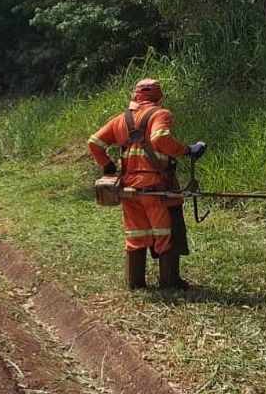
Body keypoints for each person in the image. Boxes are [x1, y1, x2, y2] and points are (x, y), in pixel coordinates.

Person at [88, 79, 206, 289]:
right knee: (165, 233)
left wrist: (107, 166)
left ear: (135, 96)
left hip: (128, 189)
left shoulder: (120, 120)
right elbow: (160, 137)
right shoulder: (160, 114)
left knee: (136, 235)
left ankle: (135, 282)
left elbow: (94, 143)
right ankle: (169, 282)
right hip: (157, 187)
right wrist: (188, 149)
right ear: (159, 97)